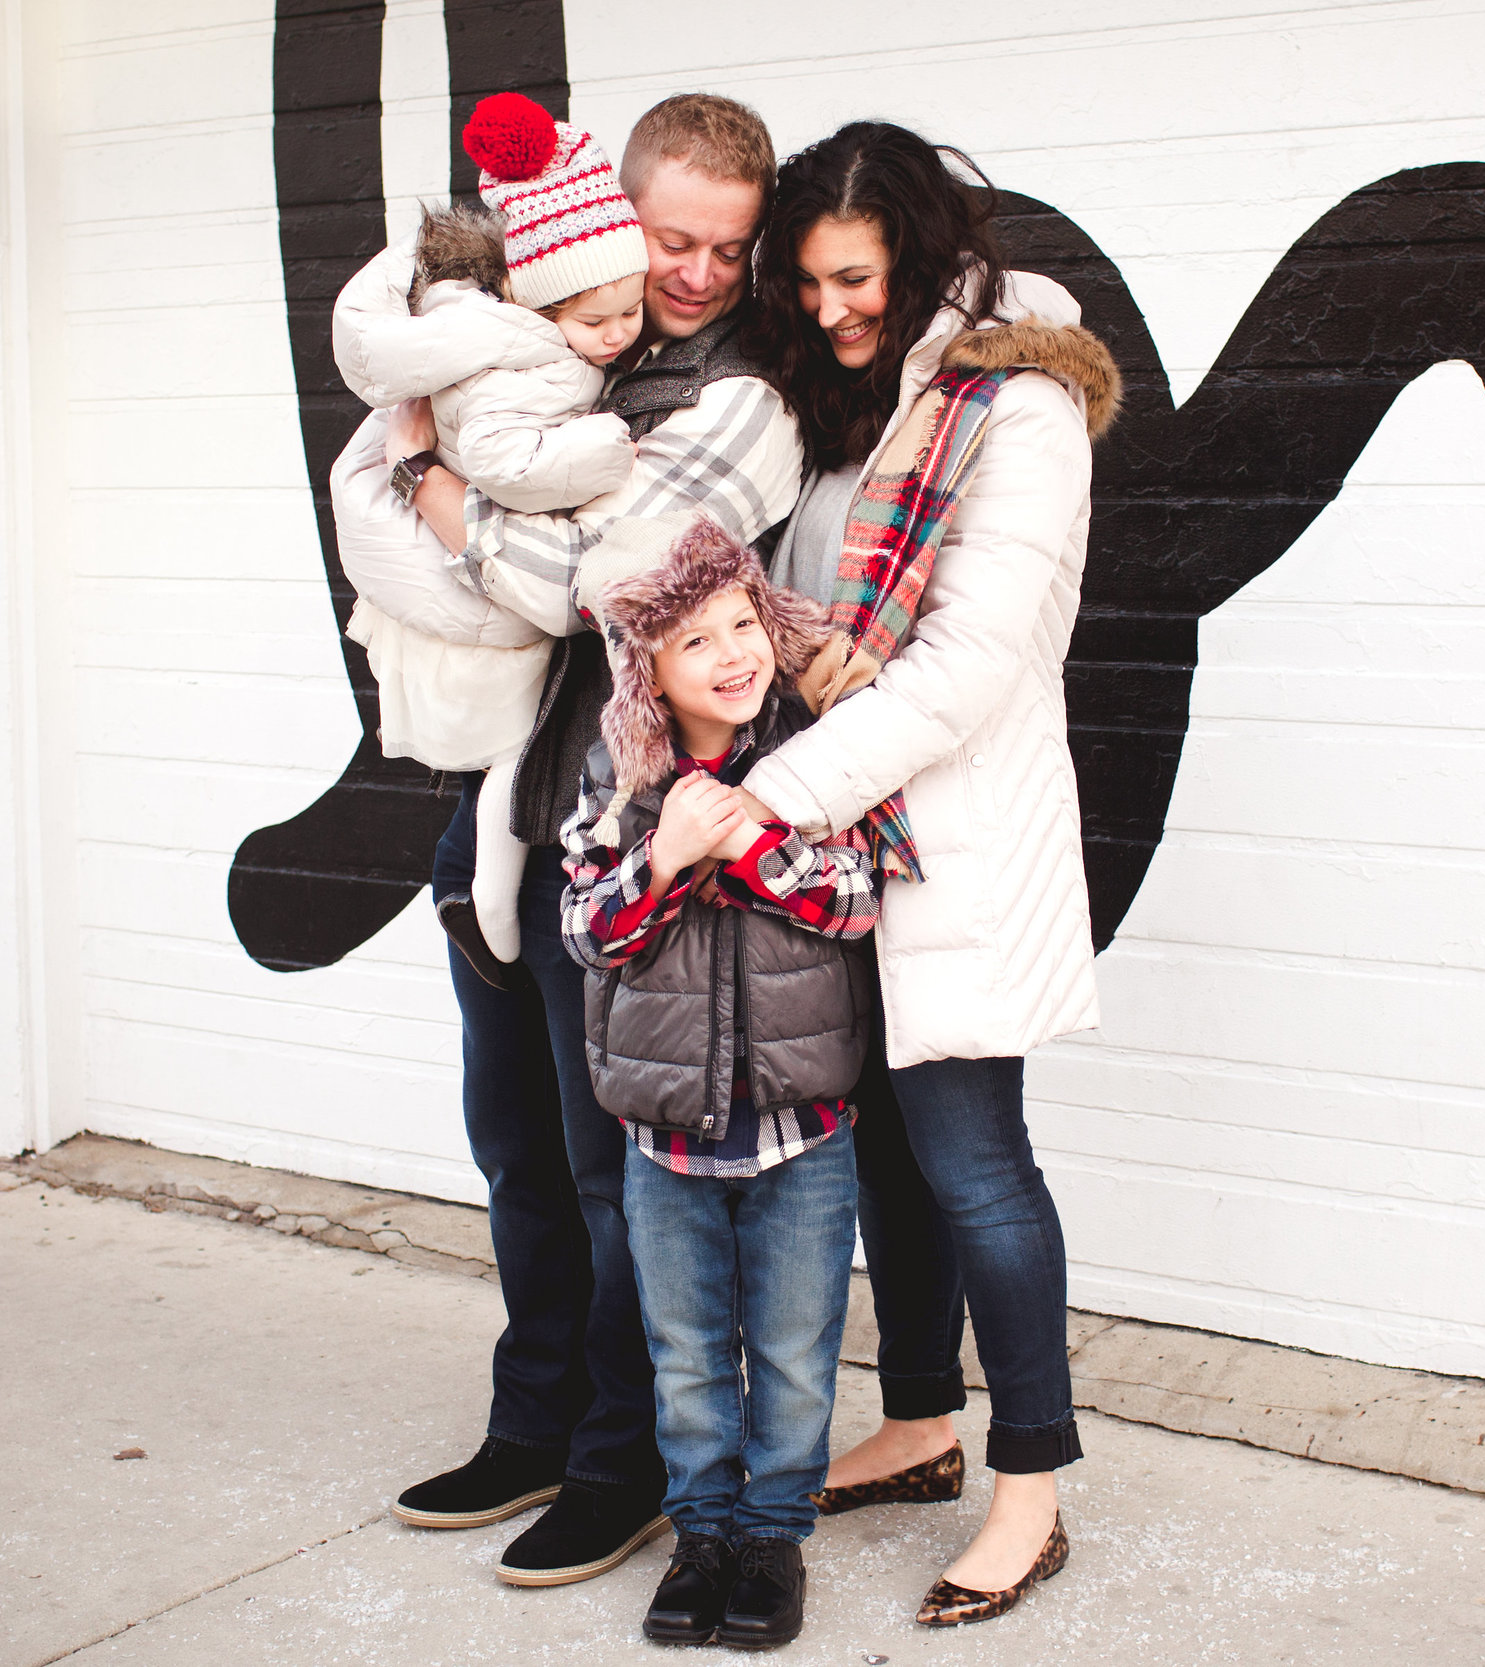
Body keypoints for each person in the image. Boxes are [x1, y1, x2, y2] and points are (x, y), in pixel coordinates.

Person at [348, 92, 805, 1588]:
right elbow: (386, 459)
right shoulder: (559, 339)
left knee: (616, 1186)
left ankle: (624, 1463)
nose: (693, 273)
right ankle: (533, 1418)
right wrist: (429, 484)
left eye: (726, 249)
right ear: (618, 212)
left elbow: (596, 586)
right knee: (515, 1156)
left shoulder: (745, 397)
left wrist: (441, 493)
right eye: (672, 237)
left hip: (621, 847)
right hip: (495, 818)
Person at [739, 121, 1120, 1627]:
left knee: (974, 1162)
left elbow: (961, 670)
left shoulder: (1015, 410)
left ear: (919, 250)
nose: (832, 305)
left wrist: (767, 796)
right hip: (846, 846)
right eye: (811, 281)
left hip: (956, 838)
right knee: (882, 1160)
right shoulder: (847, 405)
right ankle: (916, 1420)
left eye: (856, 276)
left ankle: (1029, 1488)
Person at [560, 516, 881, 1650]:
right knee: (688, 1349)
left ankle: (773, 1533)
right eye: (696, 641)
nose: (734, 653)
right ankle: (701, 1533)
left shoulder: (814, 758)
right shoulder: (619, 783)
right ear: (648, 670)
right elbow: (590, 933)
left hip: (805, 1125)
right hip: (669, 1140)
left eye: (745, 624)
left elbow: (856, 900)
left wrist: (747, 843)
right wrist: (664, 857)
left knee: (794, 1347)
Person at [331, 91, 648, 978]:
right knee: (514, 754)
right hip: (476, 575)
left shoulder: (510, 334)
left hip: (466, 557)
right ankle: (489, 909)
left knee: (506, 756)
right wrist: (604, 450)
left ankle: (474, 899)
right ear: (538, 305)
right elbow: (509, 462)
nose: (620, 336)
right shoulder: (521, 358)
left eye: (633, 310)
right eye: (597, 320)